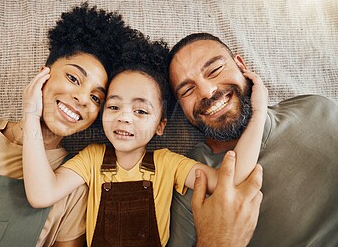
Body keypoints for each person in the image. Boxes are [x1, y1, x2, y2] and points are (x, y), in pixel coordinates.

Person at [21, 31, 267, 247]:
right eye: (114, 107)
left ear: (160, 125)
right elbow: (41, 194)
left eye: (141, 111)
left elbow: (232, 178)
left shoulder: (168, 164)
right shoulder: (91, 159)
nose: (124, 118)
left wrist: (259, 115)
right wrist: (31, 114)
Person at [0, 3, 138, 246]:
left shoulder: (72, 188)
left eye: (97, 98)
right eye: (73, 78)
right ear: (43, 74)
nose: (83, 99)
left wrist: (32, 115)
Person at [167, 32, 338, 247]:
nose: (207, 91)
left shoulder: (315, 108)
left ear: (241, 65)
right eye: (187, 90)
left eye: (215, 70)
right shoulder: (192, 178)